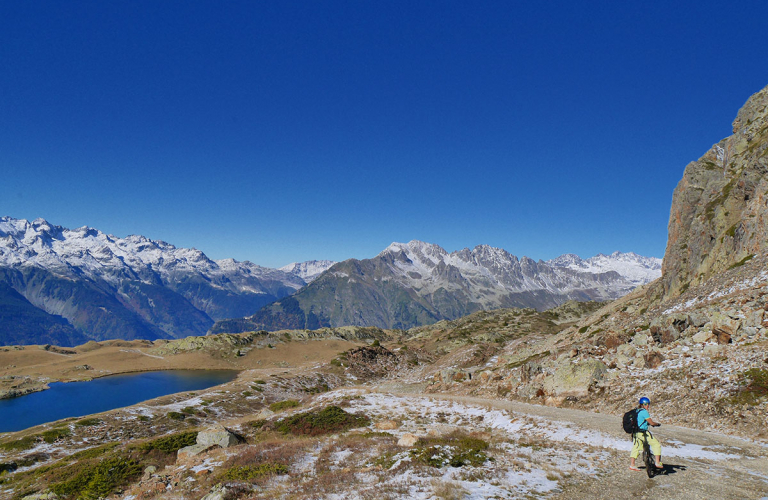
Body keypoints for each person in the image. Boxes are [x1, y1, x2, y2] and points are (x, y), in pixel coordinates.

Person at [629, 396, 662, 471]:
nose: (648, 406)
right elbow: (651, 422)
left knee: (636, 447)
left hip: (636, 432)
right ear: (644, 404)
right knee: (656, 444)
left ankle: (632, 465)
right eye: (647, 404)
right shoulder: (644, 412)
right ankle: (657, 462)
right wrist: (656, 424)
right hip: (642, 433)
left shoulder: (637, 411)